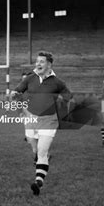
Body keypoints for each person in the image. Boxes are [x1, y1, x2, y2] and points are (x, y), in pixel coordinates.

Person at [11, 51, 73, 196]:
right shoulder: (30, 78)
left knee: (42, 150)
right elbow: (17, 90)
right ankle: (41, 161)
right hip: (31, 119)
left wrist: (63, 101)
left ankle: (38, 181)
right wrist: (14, 95)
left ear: (49, 64)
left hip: (49, 120)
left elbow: (68, 96)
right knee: (35, 149)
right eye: (37, 61)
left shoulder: (57, 82)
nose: (38, 64)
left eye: (41, 61)